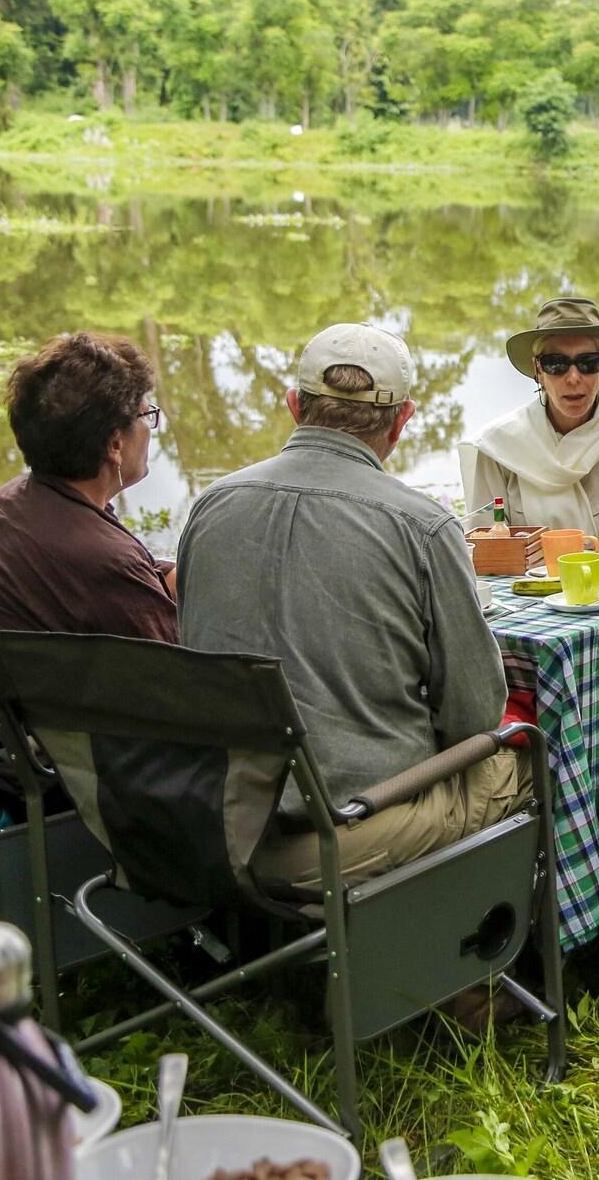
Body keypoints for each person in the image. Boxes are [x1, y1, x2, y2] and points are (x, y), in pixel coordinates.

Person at [178, 322, 525, 892]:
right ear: (403, 419)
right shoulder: (424, 527)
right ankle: (487, 956)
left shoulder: (210, 506)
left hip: (220, 819)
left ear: (295, 406)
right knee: (534, 755)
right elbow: (472, 719)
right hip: (345, 826)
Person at [0, 331, 178, 862]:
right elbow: (182, 678)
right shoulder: (98, 557)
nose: (151, 431)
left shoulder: (11, 504)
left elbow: (111, 582)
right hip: (36, 789)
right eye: (147, 417)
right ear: (114, 443)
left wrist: (180, 570)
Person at [460, 296, 599, 535]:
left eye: (588, 362)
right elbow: (484, 545)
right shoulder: (498, 447)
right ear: (538, 370)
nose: (573, 378)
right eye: (556, 364)